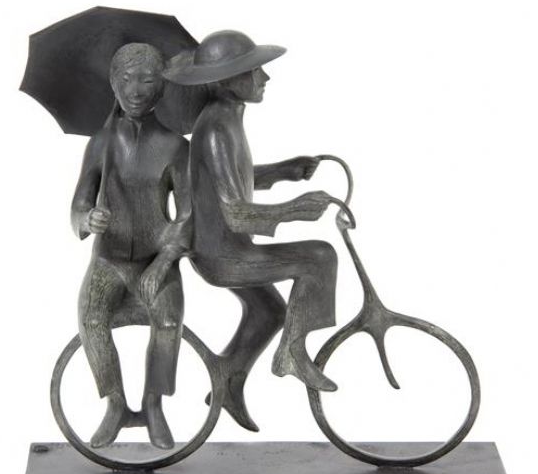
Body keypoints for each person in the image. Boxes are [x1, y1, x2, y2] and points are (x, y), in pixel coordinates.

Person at [164, 30, 338, 432]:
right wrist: (294, 210)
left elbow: (230, 181)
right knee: (319, 257)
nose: (264, 78)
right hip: (224, 256)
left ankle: (228, 378)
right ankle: (293, 353)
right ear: (228, 80)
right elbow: (236, 214)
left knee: (270, 311)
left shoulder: (226, 118)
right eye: (253, 71)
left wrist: (284, 170)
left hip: (227, 248)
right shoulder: (215, 128)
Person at [71, 43, 191, 449]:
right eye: (126, 79)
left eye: (147, 80)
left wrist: (163, 263)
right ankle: (116, 404)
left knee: (169, 322)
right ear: (113, 83)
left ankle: (154, 404)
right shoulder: (100, 143)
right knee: (91, 319)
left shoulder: (176, 147)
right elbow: (78, 204)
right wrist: (87, 218)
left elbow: (187, 215)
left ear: (162, 87)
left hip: (158, 259)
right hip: (109, 259)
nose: (136, 90)